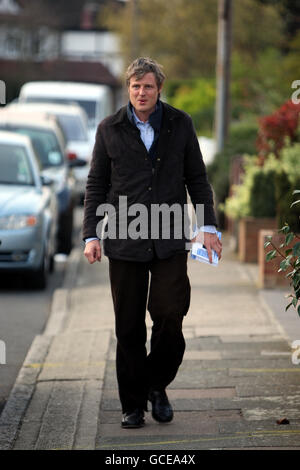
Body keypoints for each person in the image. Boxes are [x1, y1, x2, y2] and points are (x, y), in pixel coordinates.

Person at [83, 57, 222, 429]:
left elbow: (197, 177)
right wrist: (91, 234)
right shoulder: (109, 128)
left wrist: (209, 227)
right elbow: (96, 184)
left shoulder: (180, 123)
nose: (141, 92)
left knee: (170, 317)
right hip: (125, 240)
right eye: (135, 86)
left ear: (159, 89)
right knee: (128, 327)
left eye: (147, 86)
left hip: (170, 237)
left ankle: (156, 385)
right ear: (128, 89)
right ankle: (133, 405)